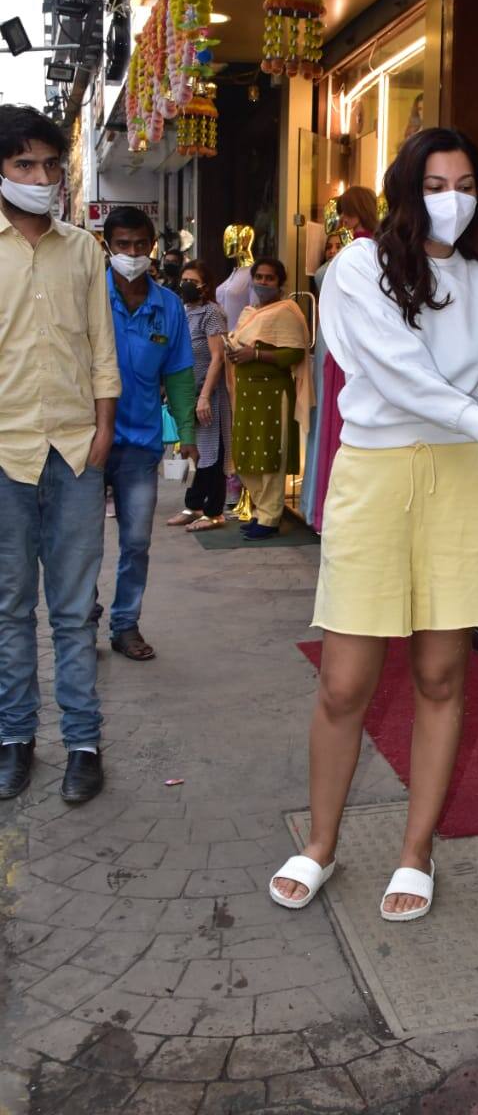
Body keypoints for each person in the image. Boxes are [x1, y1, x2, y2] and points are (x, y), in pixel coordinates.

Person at [269, 127, 478, 921]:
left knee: (441, 676)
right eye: (435, 183)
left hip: (458, 477)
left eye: (466, 182)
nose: (454, 198)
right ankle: (320, 843)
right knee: (345, 681)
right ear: (406, 190)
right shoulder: (356, 267)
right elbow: (396, 374)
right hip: (374, 476)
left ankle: (416, 851)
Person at [0, 104, 121, 804]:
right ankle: (16, 739)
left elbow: (101, 350)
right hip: (6, 454)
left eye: (49, 164)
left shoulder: (83, 248)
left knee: (74, 611)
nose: (41, 177)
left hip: (76, 451)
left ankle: (83, 743)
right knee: (11, 609)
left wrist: (103, 431)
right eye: (24, 165)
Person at [101, 207, 198, 660]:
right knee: (78, 544)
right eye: (123, 245)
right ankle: (82, 620)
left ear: (152, 246)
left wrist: (185, 431)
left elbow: (178, 374)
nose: (132, 253)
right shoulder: (89, 296)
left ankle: (125, 625)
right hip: (85, 442)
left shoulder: (169, 307)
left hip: (140, 443)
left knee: (136, 541)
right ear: (108, 245)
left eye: (140, 244)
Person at [226, 258, 313, 540]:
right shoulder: (249, 312)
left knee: (270, 455)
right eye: (259, 277)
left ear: (280, 283)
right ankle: (260, 511)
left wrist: (257, 355)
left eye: (269, 278)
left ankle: (271, 517)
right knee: (248, 454)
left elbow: (295, 353)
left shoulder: (288, 311)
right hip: (248, 392)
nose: (263, 282)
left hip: (273, 393)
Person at [313, 190, 379, 531]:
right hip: (345, 343)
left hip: (348, 347)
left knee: (343, 427)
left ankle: (339, 512)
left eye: (345, 213)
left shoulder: (361, 250)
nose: (342, 220)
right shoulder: (371, 249)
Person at [167, 260, 231, 532]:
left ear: (205, 286)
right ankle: (194, 506)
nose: (186, 286)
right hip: (187, 394)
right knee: (194, 450)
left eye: (193, 281)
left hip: (210, 394)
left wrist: (205, 396)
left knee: (211, 453)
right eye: (184, 280)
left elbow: (218, 357)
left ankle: (214, 511)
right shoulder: (182, 311)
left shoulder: (212, 313)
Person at [300, 231, 343, 529]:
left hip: (339, 342)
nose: (332, 250)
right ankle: (314, 502)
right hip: (328, 340)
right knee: (322, 418)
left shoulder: (356, 258)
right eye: (328, 246)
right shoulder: (331, 269)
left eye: (337, 246)